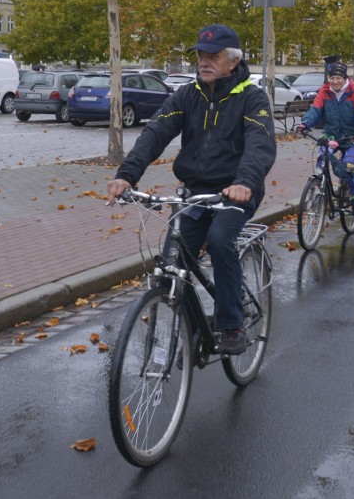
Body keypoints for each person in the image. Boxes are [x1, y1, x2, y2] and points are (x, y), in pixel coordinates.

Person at [106, 24, 277, 355]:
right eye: (200, 54)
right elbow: (155, 132)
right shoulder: (188, 95)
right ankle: (187, 324)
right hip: (195, 192)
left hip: (235, 191)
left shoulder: (251, 97)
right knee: (173, 256)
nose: (203, 61)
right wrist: (127, 175)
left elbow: (260, 145)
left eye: (212, 56)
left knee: (219, 241)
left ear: (232, 60)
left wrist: (244, 182)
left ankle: (231, 324)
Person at [295, 62, 354, 217]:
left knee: (348, 165)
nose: (335, 81)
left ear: (345, 78)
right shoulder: (324, 91)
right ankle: (318, 188)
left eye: (339, 78)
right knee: (321, 158)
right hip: (332, 136)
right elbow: (315, 110)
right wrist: (305, 123)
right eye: (332, 78)